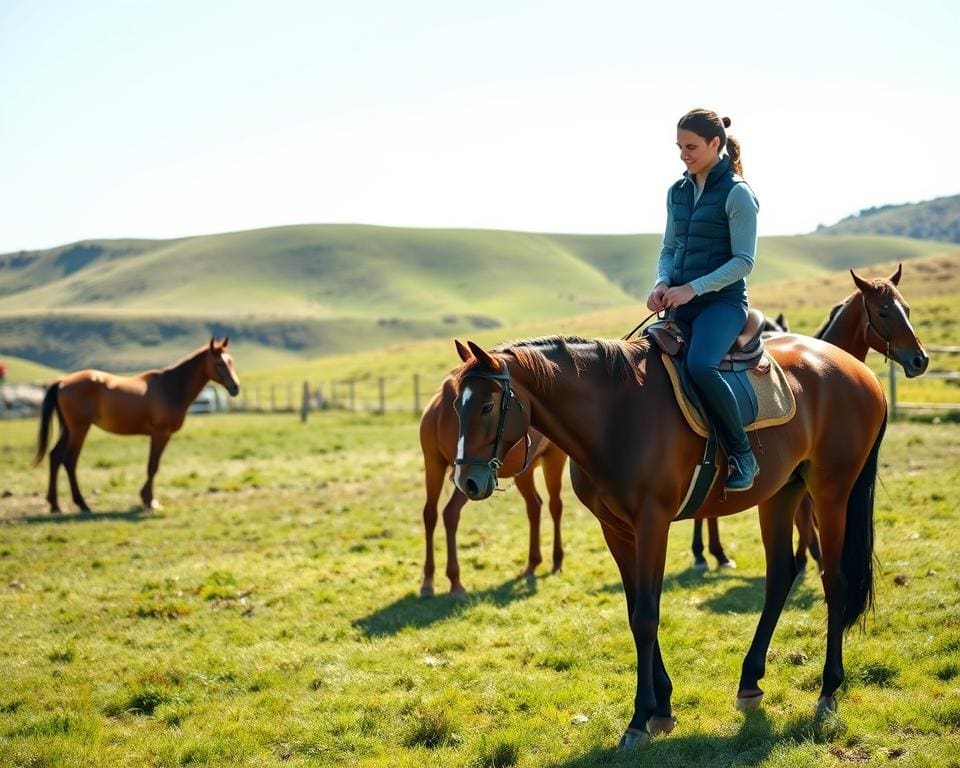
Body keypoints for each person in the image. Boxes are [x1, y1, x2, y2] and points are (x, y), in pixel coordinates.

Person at [646, 108, 760, 491]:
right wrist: (662, 283)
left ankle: (743, 455)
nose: (684, 154)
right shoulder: (676, 192)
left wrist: (692, 289)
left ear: (716, 144)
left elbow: (744, 262)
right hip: (678, 301)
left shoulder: (738, 194)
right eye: (679, 147)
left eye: (691, 146)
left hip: (722, 305)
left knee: (699, 366)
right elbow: (669, 247)